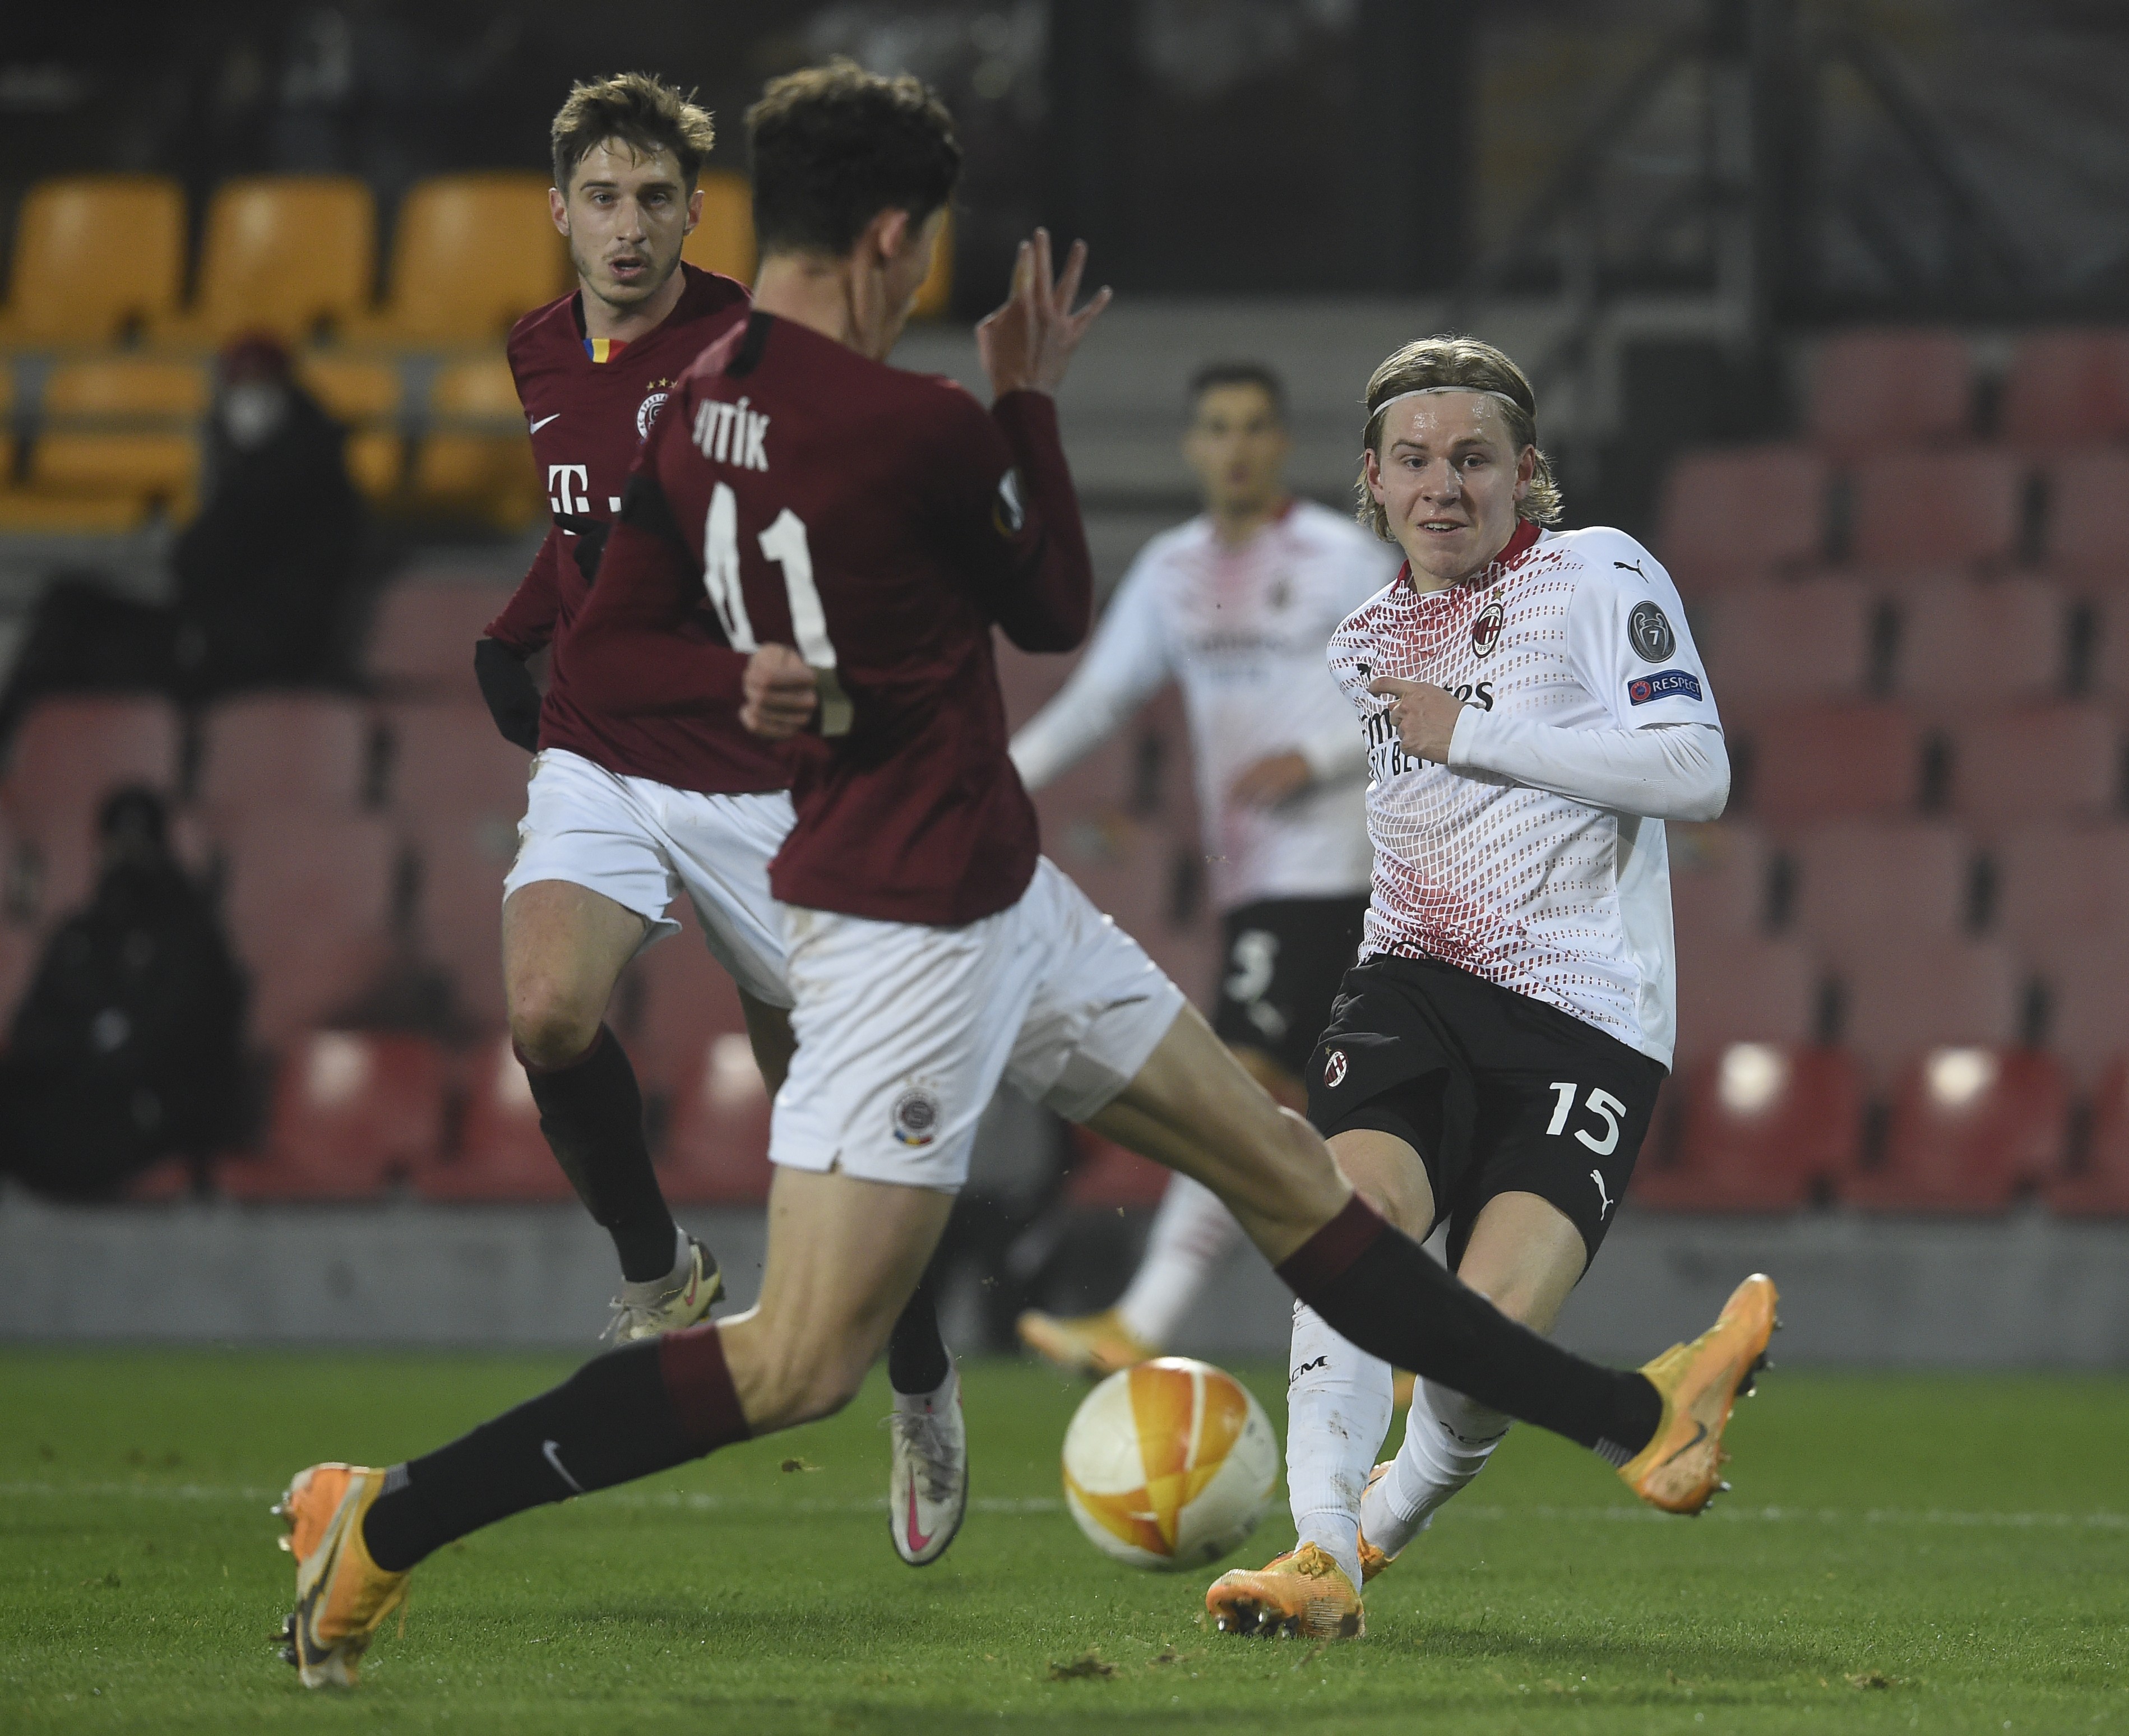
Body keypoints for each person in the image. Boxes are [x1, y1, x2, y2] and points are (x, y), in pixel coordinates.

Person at [271, 65, 1774, 1691]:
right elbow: (1052, 606)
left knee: (1287, 1172)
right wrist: (1028, 401)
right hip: (908, 931)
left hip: (1011, 894)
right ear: (897, 237)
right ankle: (387, 1517)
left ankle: (1637, 1413)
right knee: (796, 1362)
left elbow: (604, 647)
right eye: (927, 246)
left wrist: (790, 695)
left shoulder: (681, 410)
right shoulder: (916, 422)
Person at [1205, 336, 1739, 1640]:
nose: (1444, 485)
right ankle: (1317, 1553)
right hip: (1414, 982)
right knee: (1346, 1228)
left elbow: (1698, 772)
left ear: (1526, 475)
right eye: (1414, 461)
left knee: (1479, 1343)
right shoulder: (1363, 640)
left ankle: (1370, 1531)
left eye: (1473, 458)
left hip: (1588, 1015)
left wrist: (1475, 732)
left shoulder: (1599, 572)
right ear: (1372, 485)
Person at [1010, 360, 1394, 1378]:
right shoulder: (1173, 573)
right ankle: (1416, 1332)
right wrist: (993, 783)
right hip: (1258, 884)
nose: (1235, 446)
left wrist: (1311, 761)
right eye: (1217, 427)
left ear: (1280, 444)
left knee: (1246, 1093)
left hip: (1336, 867)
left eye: (1254, 427)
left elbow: (1426, 683)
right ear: (1193, 445)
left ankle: (1146, 1318)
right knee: (1324, 1118)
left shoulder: (1342, 557)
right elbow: (1096, 702)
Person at [471, 71, 761, 1341]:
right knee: (545, 1013)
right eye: (602, 197)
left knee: (828, 1097)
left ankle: (917, 1373)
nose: (627, 224)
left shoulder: (748, 352)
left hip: (752, 755)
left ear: (697, 212)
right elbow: (584, 523)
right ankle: (660, 1273)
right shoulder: (537, 349)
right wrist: (515, 631)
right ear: (559, 211)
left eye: (653, 197)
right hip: (601, 740)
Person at [0, 336, 366, 743]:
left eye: (261, 389)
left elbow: (284, 596)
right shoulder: (255, 467)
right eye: (239, 388)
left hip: (244, 658)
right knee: (68, 606)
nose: (249, 404)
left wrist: (205, 634)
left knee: (73, 637)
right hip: (206, 634)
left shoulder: (305, 479)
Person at [0, 788, 246, 1199]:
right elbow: (29, 1029)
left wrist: (86, 1044)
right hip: (70, 1092)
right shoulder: (78, 933)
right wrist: (87, 1040)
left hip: (140, 1107)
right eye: (117, 844)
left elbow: (174, 1038)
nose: (126, 857)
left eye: (139, 845)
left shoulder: (189, 935)